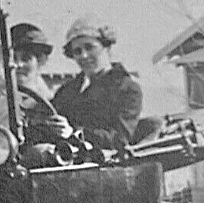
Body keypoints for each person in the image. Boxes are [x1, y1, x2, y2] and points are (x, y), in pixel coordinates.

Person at [45, 14, 159, 150]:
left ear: (107, 47)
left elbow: (119, 140)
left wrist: (75, 133)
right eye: (77, 51)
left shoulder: (127, 89)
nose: (84, 56)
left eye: (89, 47)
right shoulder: (67, 91)